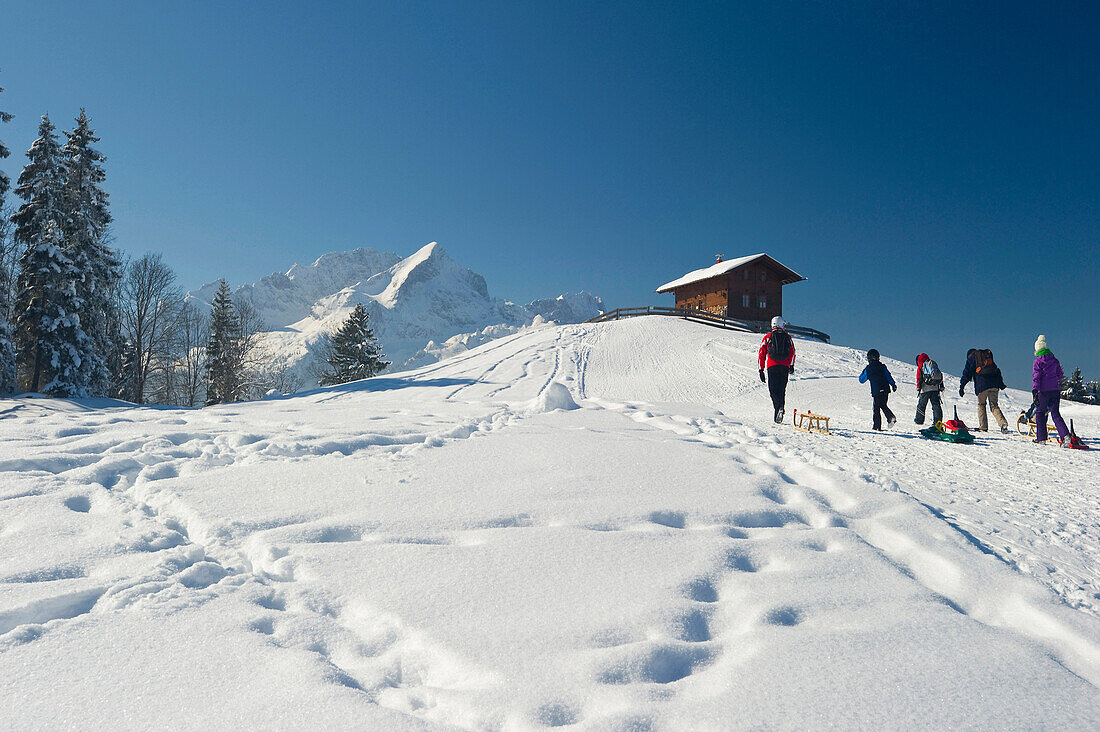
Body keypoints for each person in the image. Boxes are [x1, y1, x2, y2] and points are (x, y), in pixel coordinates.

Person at [959, 347, 1009, 433]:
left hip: (982, 385)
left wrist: (962, 386)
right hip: (994, 385)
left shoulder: (972, 358)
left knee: (981, 405)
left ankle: (983, 427)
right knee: (994, 405)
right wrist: (1001, 384)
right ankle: (1003, 423)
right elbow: (997, 370)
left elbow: (967, 373)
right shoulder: (986, 357)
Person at [1032, 335, 1071, 445]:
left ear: (1037, 349)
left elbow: (1036, 377)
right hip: (1055, 391)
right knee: (1055, 414)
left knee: (1040, 412)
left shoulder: (1038, 361)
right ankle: (1065, 436)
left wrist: (1035, 390)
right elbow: (1060, 375)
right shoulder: (1054, 360)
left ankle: (1041, 438)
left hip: (1043, 392)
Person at [758, 316, 795, 424]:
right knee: (781, 390)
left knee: (773, 390)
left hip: (772, 366)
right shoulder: (788, 337)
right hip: (784, 367)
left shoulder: (768, 337)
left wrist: (761, 369)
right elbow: (793, 352)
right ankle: (780, 409)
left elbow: (762, 353)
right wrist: (791, 366)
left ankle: (778, 409)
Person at [859, 349, 897, 430]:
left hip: (876, 391)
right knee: (883, 405)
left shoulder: (868, 368)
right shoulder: (882, 366)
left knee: (876, 408)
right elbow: (888, 376)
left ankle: (877, 427)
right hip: (886, 389)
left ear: (869, 358)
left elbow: (861, 380)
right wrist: (893, 385)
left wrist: (864, 371)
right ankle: (890, 418)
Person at [914, 353, 944, 425]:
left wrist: (918, 387)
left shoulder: (921, 365)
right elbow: (939, 375)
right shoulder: (932, 363)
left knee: (921, 405)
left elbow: (919, 377)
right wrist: (941, 386)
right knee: (936, 405)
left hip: (925, 389)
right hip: (935, 388)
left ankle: (919, 420)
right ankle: (938, 422)